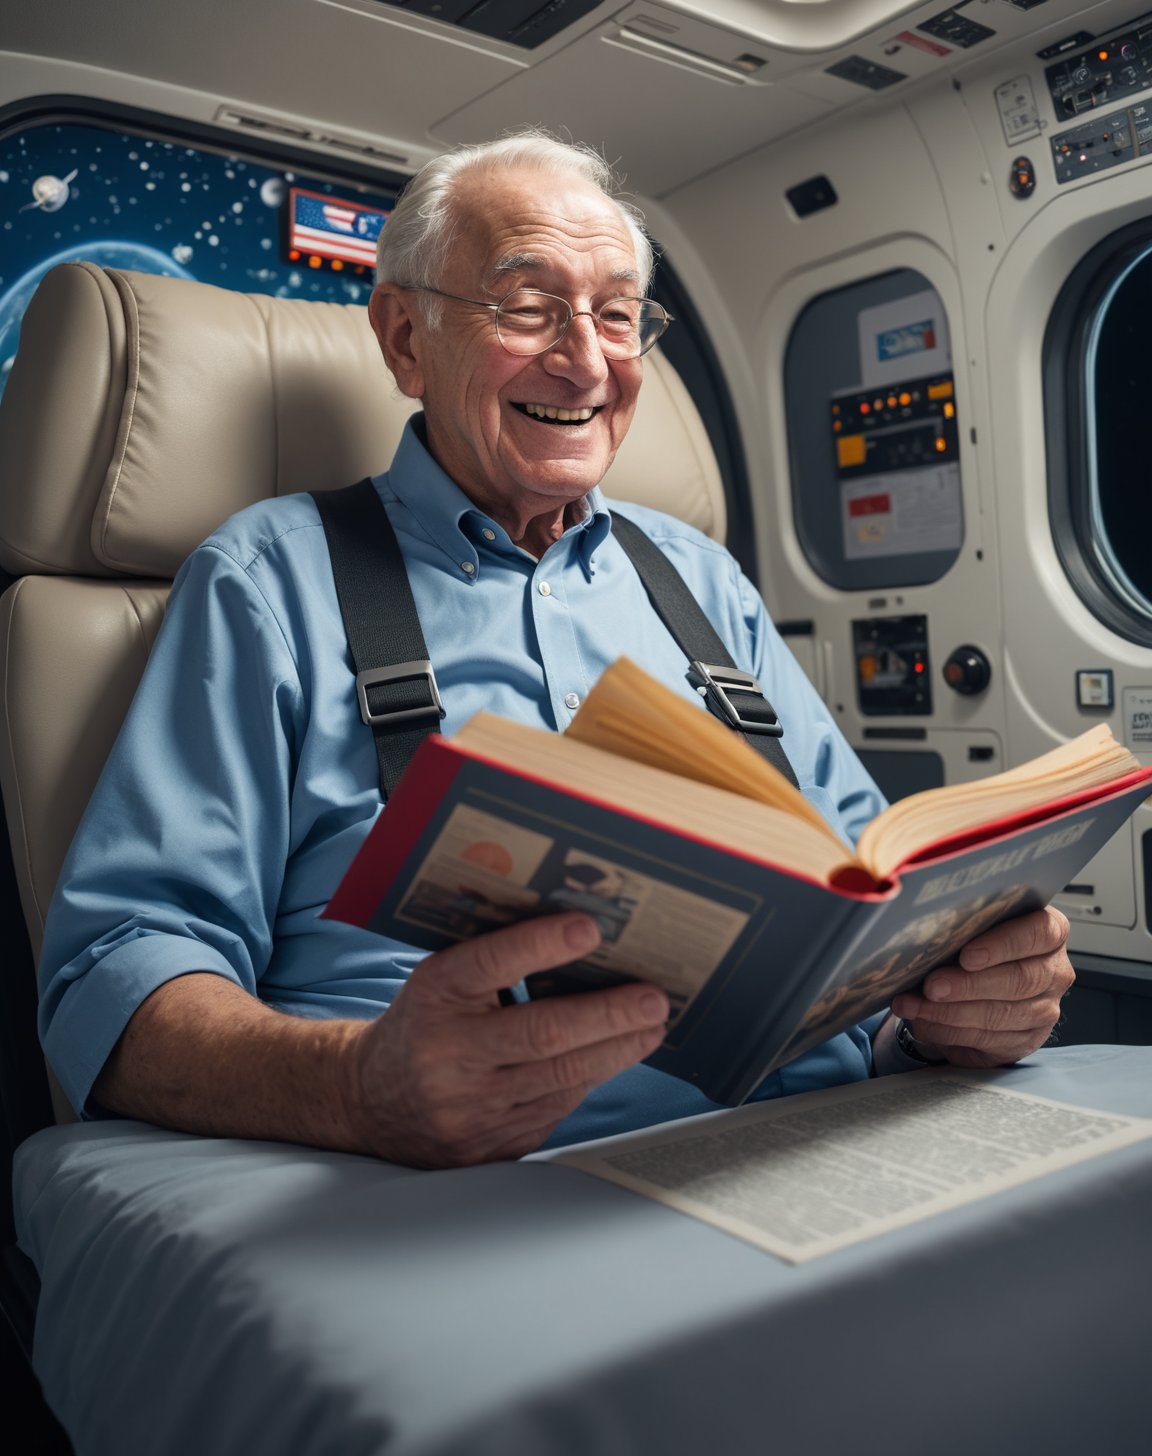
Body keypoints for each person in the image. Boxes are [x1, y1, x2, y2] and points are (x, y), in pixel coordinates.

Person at [37, 132, 1073, 1168]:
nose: (586, 360)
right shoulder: (270, 577)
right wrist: (358, 1090)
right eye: (528, 308)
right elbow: (112, 977)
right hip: (459, 1185)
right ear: (405, 339)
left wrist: (946, 1008)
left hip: (811, 1142)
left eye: (617, 314)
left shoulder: (701, 579)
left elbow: (862, 904)